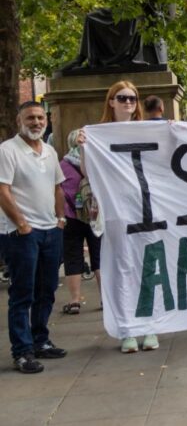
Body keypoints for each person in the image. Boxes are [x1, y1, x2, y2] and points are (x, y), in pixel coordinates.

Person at [80, 80, 160, 352]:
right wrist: (83, 147)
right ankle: (128, 329)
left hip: (148, 209)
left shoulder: (150, 130)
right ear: (111, 101)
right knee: (122, 267)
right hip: (118, 211)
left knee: (148, 266)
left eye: (133, 98)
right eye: (123, 97)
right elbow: (89, 172)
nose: (128, 102)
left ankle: (150, 327)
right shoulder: (98, 134)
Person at [0, 101, 68, 373]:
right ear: (19, 121)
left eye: (40, 118)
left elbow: (58, 188)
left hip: (51, 230)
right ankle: (22, 351)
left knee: (47, 289)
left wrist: (61, 219)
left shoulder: (50, 151)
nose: (36, 122)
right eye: (30, 118)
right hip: (21, 234)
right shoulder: (7, 151)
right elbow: (3, 191)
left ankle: (41, 340)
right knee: (22, 293)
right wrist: (22, 223)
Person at [59, 129, 102, 316]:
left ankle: (75, 300)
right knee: (99, 257)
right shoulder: (95, 164)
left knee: (73, 256)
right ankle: (105, 298)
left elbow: (58, 192)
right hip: (95, 215)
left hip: (71, 217)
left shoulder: (62, 165)